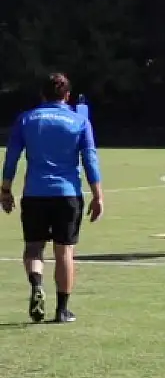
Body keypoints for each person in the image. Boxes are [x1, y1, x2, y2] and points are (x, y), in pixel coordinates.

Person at [1, 73, 103, 323]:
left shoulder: (26, 119)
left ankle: (37, 284)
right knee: (64, 252)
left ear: (42, 94)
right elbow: (89, 159)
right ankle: (62, 310)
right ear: (67, 96)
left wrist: (5, 189)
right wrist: (98, 194)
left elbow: (12, 156)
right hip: (67, 194)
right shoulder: (78, 120)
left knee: (34, 248)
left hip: (35, 193)